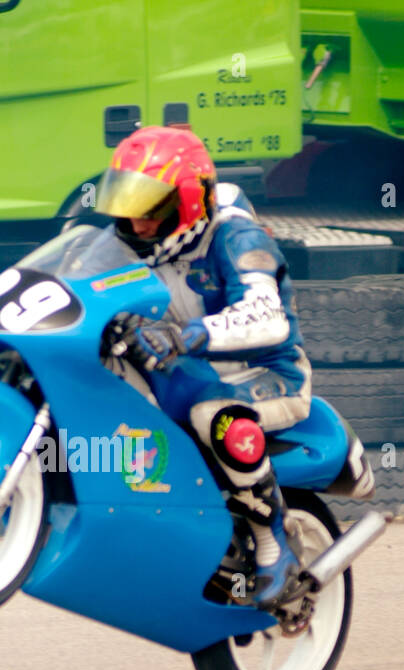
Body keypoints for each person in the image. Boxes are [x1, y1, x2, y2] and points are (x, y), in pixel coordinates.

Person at [96, 125, 313, 609]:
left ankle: (272, 543)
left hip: (268, 372)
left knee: (215, 417)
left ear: (188, 203)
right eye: (127, 203)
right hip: (189, 370)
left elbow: (267, 315)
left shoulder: (235, 236)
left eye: (149, 208)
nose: (136, 222)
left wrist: (188, 335)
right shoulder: (130, 242)